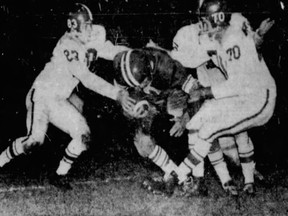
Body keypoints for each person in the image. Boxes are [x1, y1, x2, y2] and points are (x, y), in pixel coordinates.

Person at [0, 3, 135, 190]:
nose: (91, 29)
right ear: (76, 28)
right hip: (41, 96)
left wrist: (135, 53)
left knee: (83, 136)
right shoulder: (68, 45)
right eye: (86, 26)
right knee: (33, 142)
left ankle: (60, 174)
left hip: (58, 101)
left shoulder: (85, 39)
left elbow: (110, 50)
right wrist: (116, 94)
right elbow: (86, 78)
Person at [167, 0, 276, 195]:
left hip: (258, 98)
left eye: (205, 22)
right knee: (196, 123)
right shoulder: (218, 34)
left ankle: (175, 176)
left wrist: (204, 92)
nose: (202, 27)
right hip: (239, 96)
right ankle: (185, 177)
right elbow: (189, 58)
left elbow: (238, 84)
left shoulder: (233, 40)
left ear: (217, 20)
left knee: (209, 130)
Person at [113, 47, 239, 196]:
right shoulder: (124, 67)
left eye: (143, 82)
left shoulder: (167, 67)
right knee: (142, 142)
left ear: (149, 69)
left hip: (173, 93)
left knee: (196, 123)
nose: (141, 86)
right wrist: (121, 97)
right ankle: (183, 179)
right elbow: (120, 91)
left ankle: (210, 177)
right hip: (153, 99)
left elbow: (196, 92)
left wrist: (186, 117)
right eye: (136, 84)